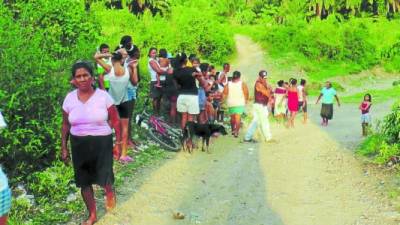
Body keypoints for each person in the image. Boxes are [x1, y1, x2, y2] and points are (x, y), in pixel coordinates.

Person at [61, 61, 121, 225]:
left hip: (102, 141)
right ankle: (92, 214)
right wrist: (64, 147)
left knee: (104, 174)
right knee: (84, 181)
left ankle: (109, 190)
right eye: (78, 76)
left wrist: (119, 144)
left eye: (85, 75)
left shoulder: (103, 96)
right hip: (79, 143)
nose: (82, 79)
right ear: (73, 80)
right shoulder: (69, 99)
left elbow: (115, 120)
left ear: (92, 78)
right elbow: (65, 124)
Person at [95, 48, 136, 163]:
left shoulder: (109, 69)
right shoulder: (128, 70)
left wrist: (108, 54)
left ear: (112, 60)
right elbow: (134, 82)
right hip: (124, 102)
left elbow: (96, 57)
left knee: (108, 127)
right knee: (124, 129)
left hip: (112, 104)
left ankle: (105, 152)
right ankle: (123, 155)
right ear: (121, 59)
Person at [173, 53, 203, 130]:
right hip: (192, 96)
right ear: (186, 60)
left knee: (184, 117)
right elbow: (200, 76)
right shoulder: (191, 69)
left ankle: (184, 137)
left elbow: (176, 86)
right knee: (190, 118)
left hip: (181, 96)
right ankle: (189, 140)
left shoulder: (175, 72)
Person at [244, 70, 272, 143]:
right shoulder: (258, 84)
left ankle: (247, 137)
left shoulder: (263, 83)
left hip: (260, 105)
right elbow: (267, 93)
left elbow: (268, 92)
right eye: (263, 78)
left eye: (265, 78)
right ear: (260, 77)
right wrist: (269, 89)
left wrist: (268, 88)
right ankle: (268, 138)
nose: (264, 79)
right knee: (264, 121)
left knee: (255, 122)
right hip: (260, 105)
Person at [223, 71, 249, 138]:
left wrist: (222, 101)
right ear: (239, 77)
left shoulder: (228, 84)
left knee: (232, 118)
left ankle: (232, 130)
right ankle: (236, 132)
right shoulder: (242, 84)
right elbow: (246, 93)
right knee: (238, 118)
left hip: (230, 103)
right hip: (239, 103)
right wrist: (246, 100)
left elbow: (224, 93)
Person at [148, 47, 172, 116]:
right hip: (154, 81)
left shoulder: (155, 60)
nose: (154, 54)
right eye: (153, 53)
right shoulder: (151, 61)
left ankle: (158, 113)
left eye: (155, 53)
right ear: (149, 53)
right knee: (155, 98)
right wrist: (167, 71)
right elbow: (158, 70)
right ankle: (156, 113)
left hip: (158, 80)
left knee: (159, 98)